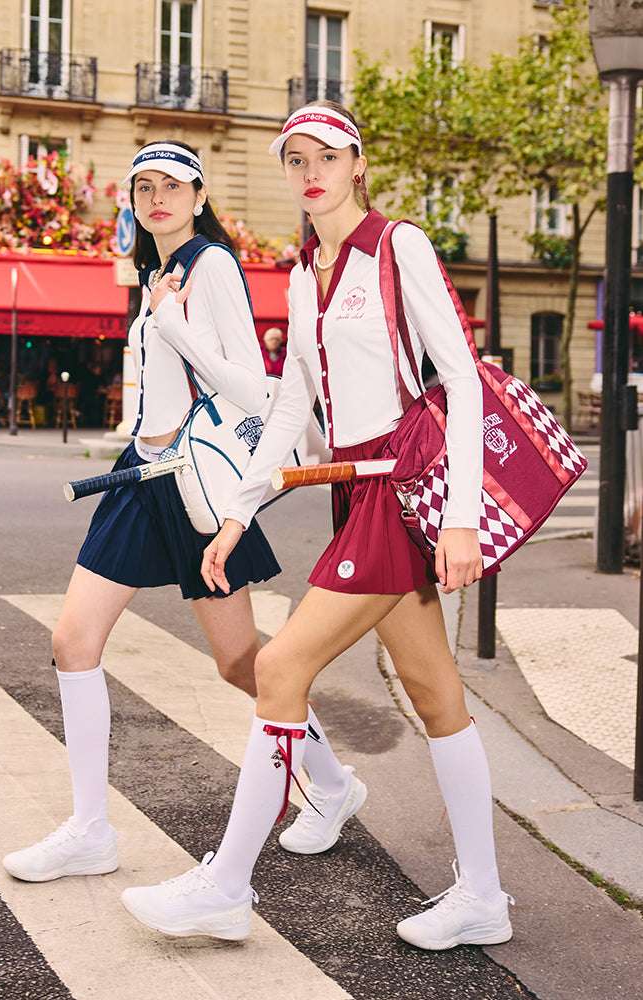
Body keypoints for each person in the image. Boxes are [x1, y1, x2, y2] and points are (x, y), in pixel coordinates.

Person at [122, 105, 515, 951]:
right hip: (354, 488)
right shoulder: (304, 274)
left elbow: (463, 380)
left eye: (327, 157)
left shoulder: (399, 247)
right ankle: (483, 896)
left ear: (358, 165)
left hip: (400, 490)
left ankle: (227, 885)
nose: (311, 172)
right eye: (296, 159)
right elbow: (291, 404)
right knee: (437, 694)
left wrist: (460, 521)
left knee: (279, 667)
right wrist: (238, 511)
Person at [2, 140, 357, 884]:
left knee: (242, 664)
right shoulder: (158, 273)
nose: (158, 198)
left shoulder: (212, 265)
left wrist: (172, 323)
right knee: (73, 642)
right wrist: (159, 318)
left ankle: (330, 784)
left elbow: (255, 389)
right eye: (145, 187)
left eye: (173, 185)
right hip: (142, 477)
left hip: (195, 485)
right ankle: (90, 830)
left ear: (199, 197)